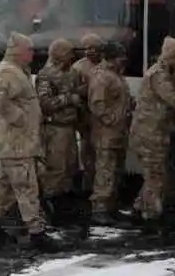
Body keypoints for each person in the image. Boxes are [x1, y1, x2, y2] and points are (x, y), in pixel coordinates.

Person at [0, 33, 57, 251]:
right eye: (30, 50)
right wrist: (21, 119)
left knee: (4, 188)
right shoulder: (8, 71)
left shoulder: (16, 70)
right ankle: (37, 233)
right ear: (18, 51)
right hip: (16, 144)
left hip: (15, 144)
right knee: (27, 188)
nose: (33, 54)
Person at [130, 37, 175, 231]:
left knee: (155, 175)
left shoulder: (165, 73)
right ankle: (151, 218)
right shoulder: (158, 75)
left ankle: (140, 208)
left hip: (156, 132)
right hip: (149, 135)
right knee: (156, 176)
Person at [86, 43, 133, 225]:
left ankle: (111, 207)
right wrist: (112, 119)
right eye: (121, 57)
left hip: (118, 132)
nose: (124, 60)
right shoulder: (102, 76)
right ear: (113, 57)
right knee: (105, 171)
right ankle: (99, 210)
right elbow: (97, 104)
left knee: (115, 171)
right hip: (106, 133)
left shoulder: (115, 74)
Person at [36, 39, 82, 224]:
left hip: (70, 127)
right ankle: (51, 206)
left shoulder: (71, 73)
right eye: (69, 52)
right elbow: (44, 104)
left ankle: (65, 204)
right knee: (56, 169)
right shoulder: (46, 75)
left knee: (70, 167)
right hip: (55, 128)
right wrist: (69, 99)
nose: (72, 56)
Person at [70, 34, 103, 194]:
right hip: (86, 116)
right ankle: (87, 187)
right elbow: (72, 91)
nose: (89, 51)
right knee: (87, 152)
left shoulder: (106, 65)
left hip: (103, 117)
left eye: (93, 48)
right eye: (86, 48)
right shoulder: (78, 67)